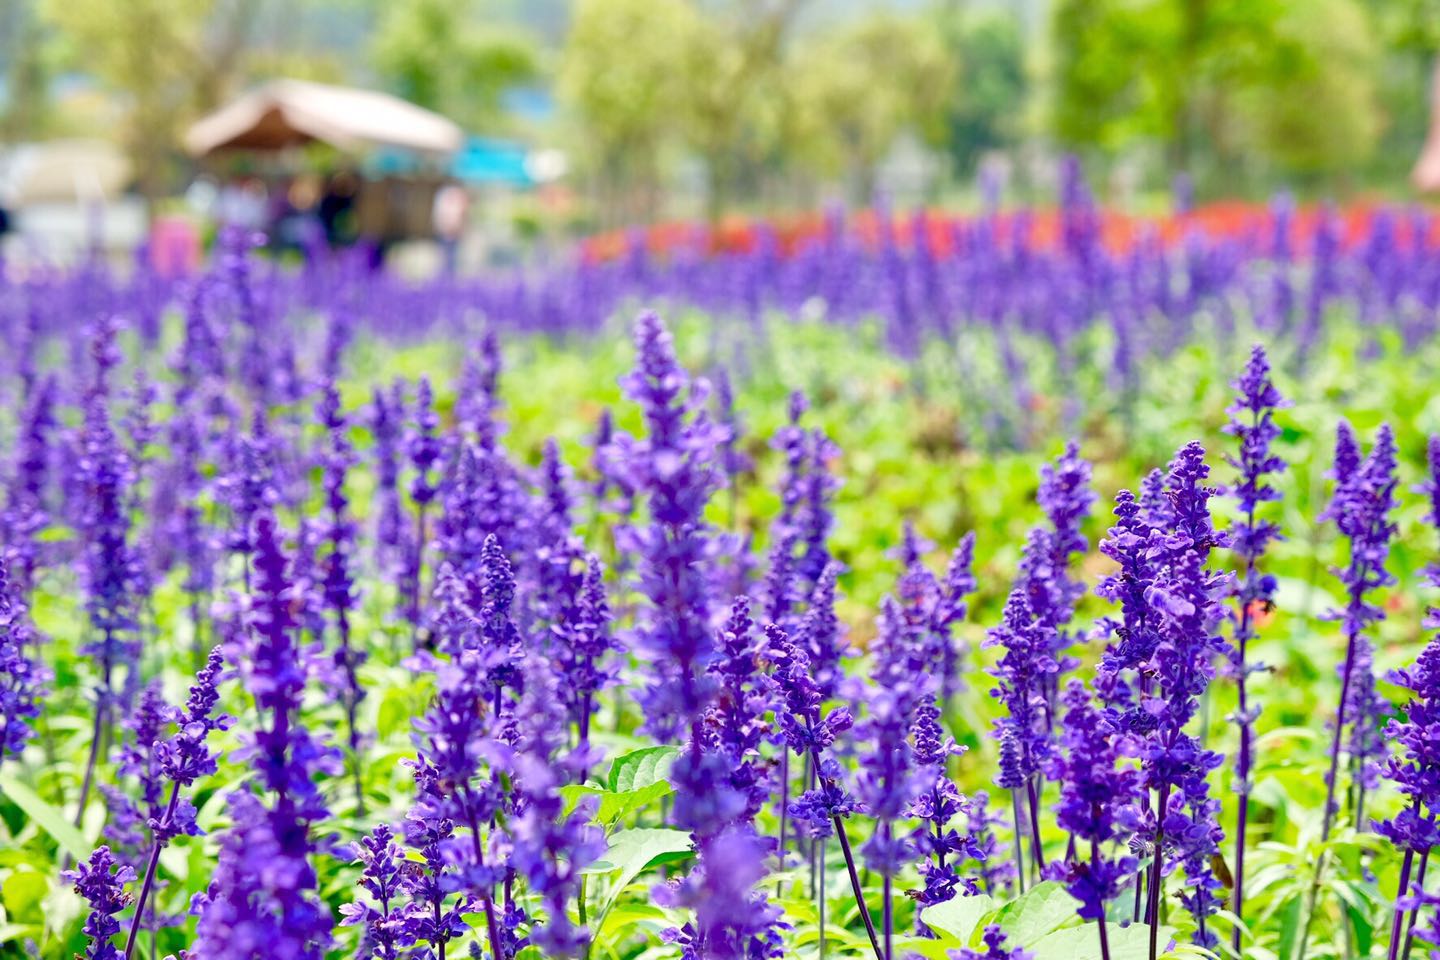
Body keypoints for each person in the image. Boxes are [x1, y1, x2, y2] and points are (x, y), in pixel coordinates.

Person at [432, 180, 470, 276]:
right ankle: (446, 275)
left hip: (455, 232)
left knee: (453, 256)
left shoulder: (452, 195)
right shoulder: (447, 196)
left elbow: (463, 214)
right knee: (445, 256)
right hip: (446, 231)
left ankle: (449, 275)